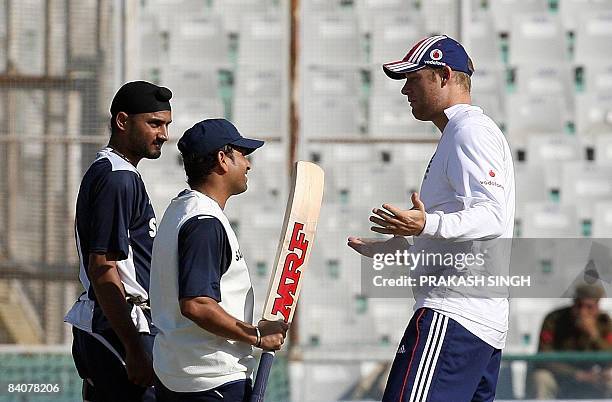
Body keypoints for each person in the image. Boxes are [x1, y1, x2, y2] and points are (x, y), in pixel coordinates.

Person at [348, 35, 515, 401]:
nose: (405, 89)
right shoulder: (463, 132)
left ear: (443, 75)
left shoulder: (468, 130)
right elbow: (469, 239)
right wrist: (404, 249)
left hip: (453, 315)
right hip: (475, 322)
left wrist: (425, 225)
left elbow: (493, 216)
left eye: (413, 77)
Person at [149, 119, 288, 402]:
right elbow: (197, 304)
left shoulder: (180, 209)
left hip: (179, 375)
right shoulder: (204, 221)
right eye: (242, 154)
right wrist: (256, 335)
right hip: (210, 381)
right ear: (222, 160)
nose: (248, 165)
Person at [64, 80, 173, 402]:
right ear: (123, 121)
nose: (163, 135)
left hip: (121, 325)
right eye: (154, 123)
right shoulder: (116, 177)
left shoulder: (119, 173)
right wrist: (133, 347)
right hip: (119, 325)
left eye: (166, 125)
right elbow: (102, 267)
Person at [528, 283, 612, 399]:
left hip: (595, 377)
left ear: (597, 307)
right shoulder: (554, 320)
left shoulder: (604, 323)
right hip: (561, 375)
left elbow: (609, 357)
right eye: (579, 306)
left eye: (589, 307)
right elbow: (544, 357)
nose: (583, 312)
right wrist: (576, 374)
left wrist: (594, 336)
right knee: (542, 378)